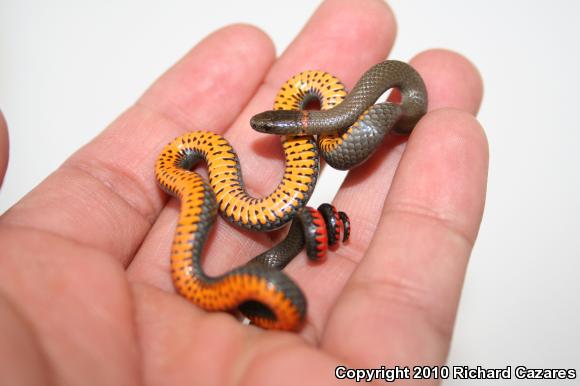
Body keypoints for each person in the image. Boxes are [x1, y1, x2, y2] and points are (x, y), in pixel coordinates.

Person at [0, 0, 486, 384]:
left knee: (341, 148)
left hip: (340, 134)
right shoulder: (218, 162)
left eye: (275, 126)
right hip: (252, 241)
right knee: (320, 164)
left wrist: (377, 121)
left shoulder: (339, 121)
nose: (267, 131)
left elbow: (337, 149)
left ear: (293, 121)